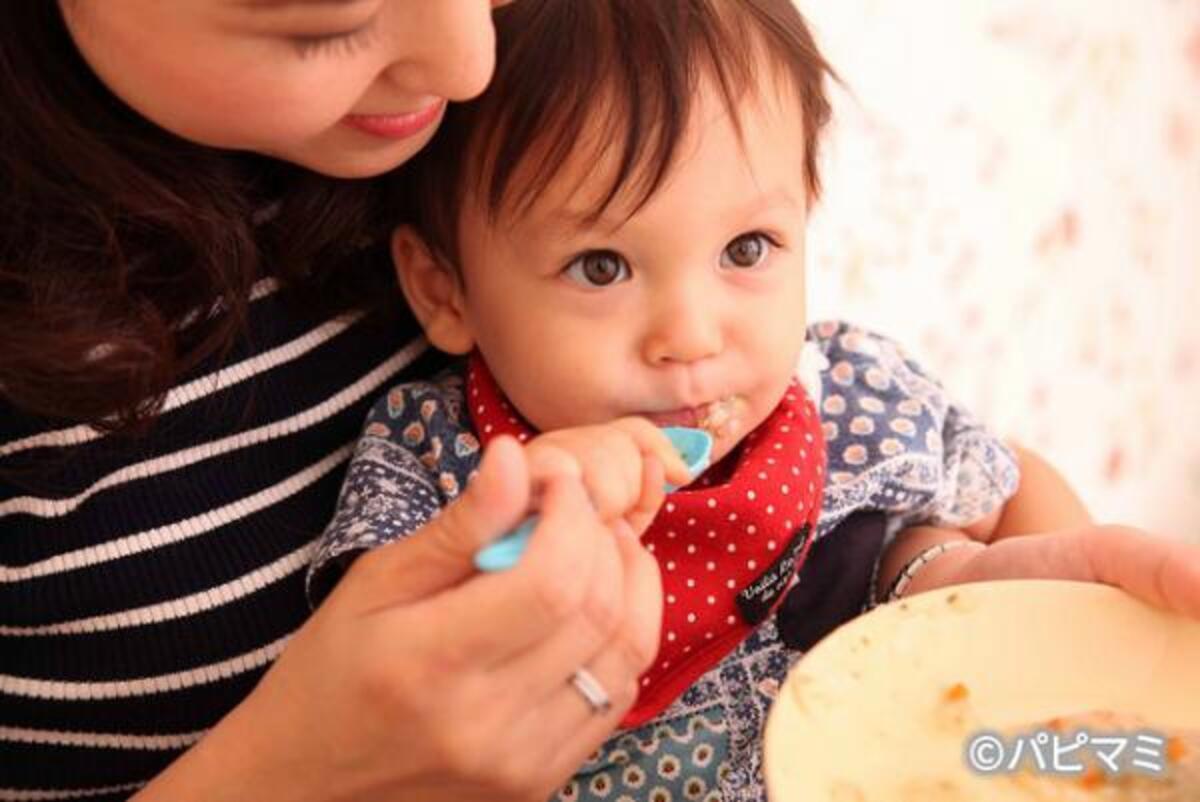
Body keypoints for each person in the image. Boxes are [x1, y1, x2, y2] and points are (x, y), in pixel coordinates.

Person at [2, 2, 1195, 802]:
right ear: (442, 284)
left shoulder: (843, 388)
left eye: (751, 248)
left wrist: (961, 585)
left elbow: (969, 513)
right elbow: (419, 611)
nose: (471, 63)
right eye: (334, 23)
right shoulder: (447, 467)